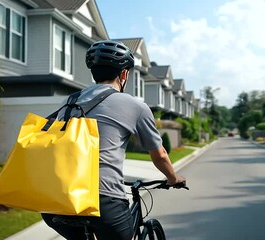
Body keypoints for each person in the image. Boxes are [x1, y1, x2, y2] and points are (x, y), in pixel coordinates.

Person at [41, 40, 186, 240]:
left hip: (56, 200)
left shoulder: (70, 101)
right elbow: (159, 154)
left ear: (94, 72)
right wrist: (173, 178)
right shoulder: (135, 105)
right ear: (124, 74)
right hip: (103, 201)